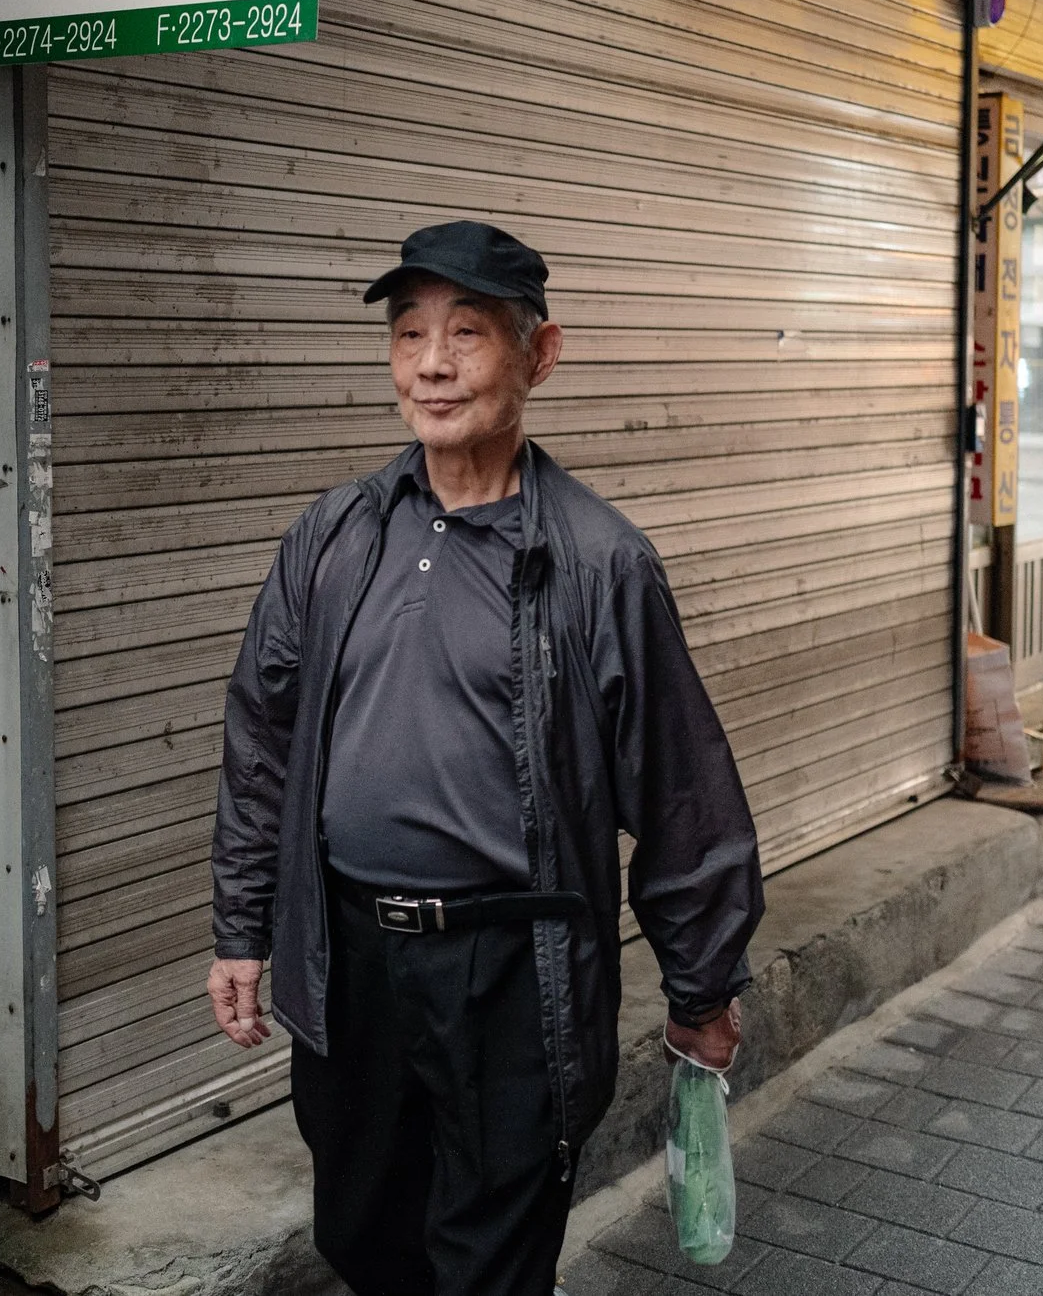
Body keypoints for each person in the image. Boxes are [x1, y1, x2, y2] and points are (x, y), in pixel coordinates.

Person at [207, 220, 764, 1296]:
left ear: (538, 354)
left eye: (466, 332)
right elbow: (261, 737)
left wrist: (701, 988)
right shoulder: (334, 535)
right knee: (362, 1235)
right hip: (352, 961)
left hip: (512, 970)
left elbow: (680, 792)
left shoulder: (599, 563)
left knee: (489, 1264)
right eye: (408, 332)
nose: (431, 362)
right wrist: (241, 924)